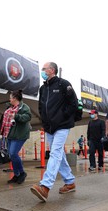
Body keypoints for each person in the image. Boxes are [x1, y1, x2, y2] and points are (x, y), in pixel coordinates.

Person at [30, 62, 77, 202]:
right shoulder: (43, 88)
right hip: (49, 127)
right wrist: (44, 121)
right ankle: (70, 182)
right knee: (59, 155)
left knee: (55, 153)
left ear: (51, 70)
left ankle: (45, 186)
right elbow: (41, 106)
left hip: (62, 125)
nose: (42, 71)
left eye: (44, 69)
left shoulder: (63, 84)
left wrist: (63, 116)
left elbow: (73, 104)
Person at [0, 90, 32, 184]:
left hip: (19, 134)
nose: (9, 99)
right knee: (11, 155)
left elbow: (28, 117)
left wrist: (16, 116)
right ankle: (16, 175)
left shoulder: (24, 107)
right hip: (9, 133)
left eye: (10, 97)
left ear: (15, 98)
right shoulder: (10, 107)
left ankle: (22, 173)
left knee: (13, 153)